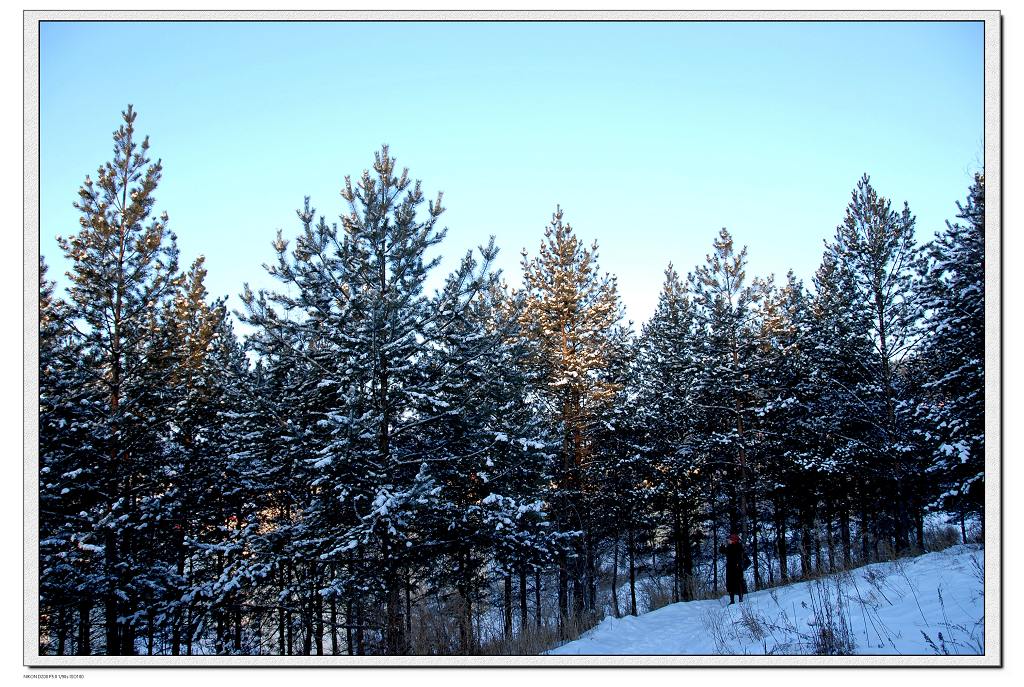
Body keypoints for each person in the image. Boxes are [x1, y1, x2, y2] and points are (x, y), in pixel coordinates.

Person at [718, 533, 751, 604]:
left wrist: (743, 567)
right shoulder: (729, 547)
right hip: (730, 568)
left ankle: (740, 599)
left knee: (738, 584)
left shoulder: (739, 548)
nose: (728, 541)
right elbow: (722, 551)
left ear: (734, 540)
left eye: (729, 540)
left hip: (737, 569)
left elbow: (748, 561)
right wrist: (721, 548)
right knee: (730, 585)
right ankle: (732, 600)